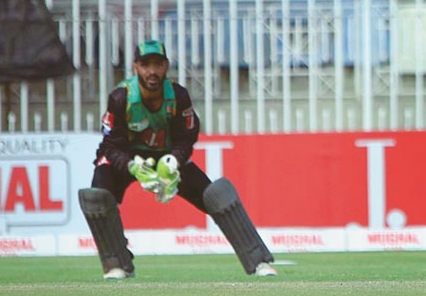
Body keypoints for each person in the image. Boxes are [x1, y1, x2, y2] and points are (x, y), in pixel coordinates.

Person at [78, 39, 277, 279]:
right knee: (97, 194)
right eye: (145, 65)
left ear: (166, 66)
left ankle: (259, 261)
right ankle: (117, 264)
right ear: (135, 68)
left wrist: (174, 160)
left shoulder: (178, 96)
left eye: (157, 64)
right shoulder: (121, 98)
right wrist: (132, 166)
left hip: (167, 156)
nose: (152, 71)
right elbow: (111, 144)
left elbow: (188, 135)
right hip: (127, 157)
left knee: (216, 195)